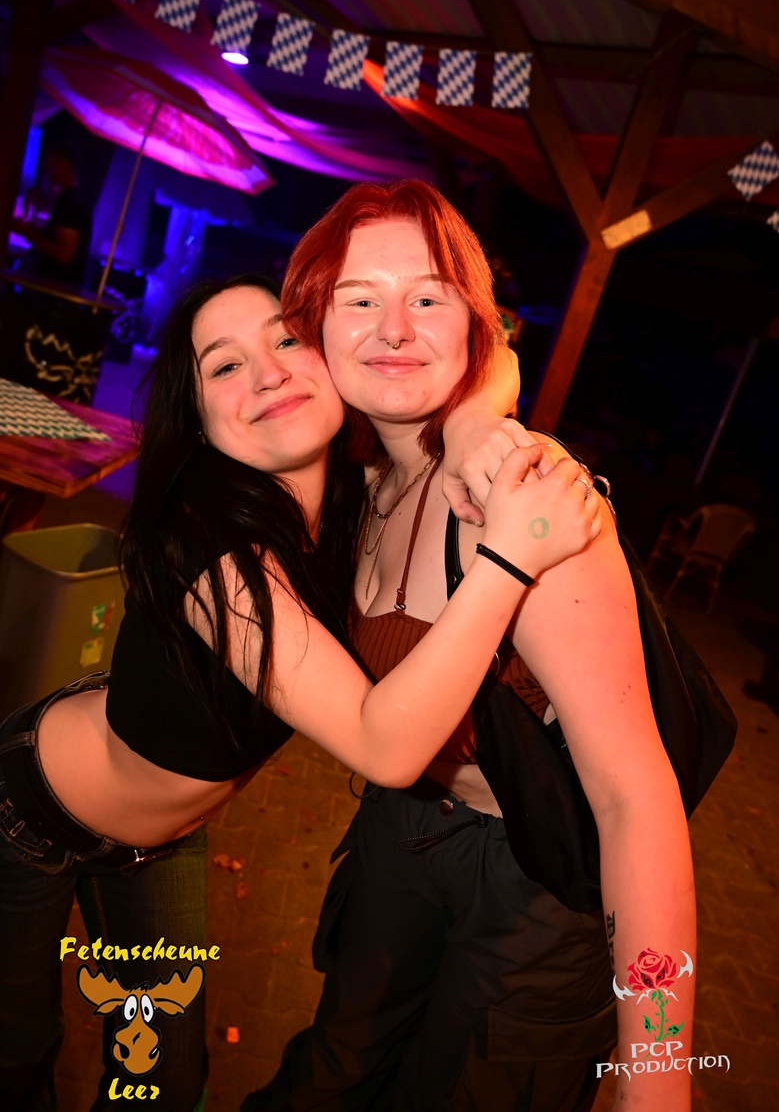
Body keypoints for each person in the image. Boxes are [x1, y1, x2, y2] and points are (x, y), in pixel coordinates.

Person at [0, 272, 600, 1111]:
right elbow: (384, 747)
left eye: (287, 338)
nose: (269, 372)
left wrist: (469, 426)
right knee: (16, 1056)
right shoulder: (208, 547)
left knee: (161, 1081)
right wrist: (510, 557)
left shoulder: (360, 499)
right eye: (224, 365)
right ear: (198, 417)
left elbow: (492, 341)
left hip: (160, 844)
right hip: (29, 819)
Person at [243, 182, 697, 1112]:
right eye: (359, 299)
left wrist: (656, 1074)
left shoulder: (524, 497)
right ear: (314, 330)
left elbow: (635, 803)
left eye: (429, 296)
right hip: (399, 829)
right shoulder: (363, 477)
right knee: (335, 1069)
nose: (394, 327)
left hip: (534, 880)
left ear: (474, 326)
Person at [13, 143, 92, 288]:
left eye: (50, 162)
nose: (45, 169)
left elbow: (63, 253)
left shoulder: (70, 203)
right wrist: (27, 229)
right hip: (52, 289)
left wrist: (26, 231)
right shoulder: (68, 200)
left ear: (62, 165)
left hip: (54, 290)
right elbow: (56, 241)